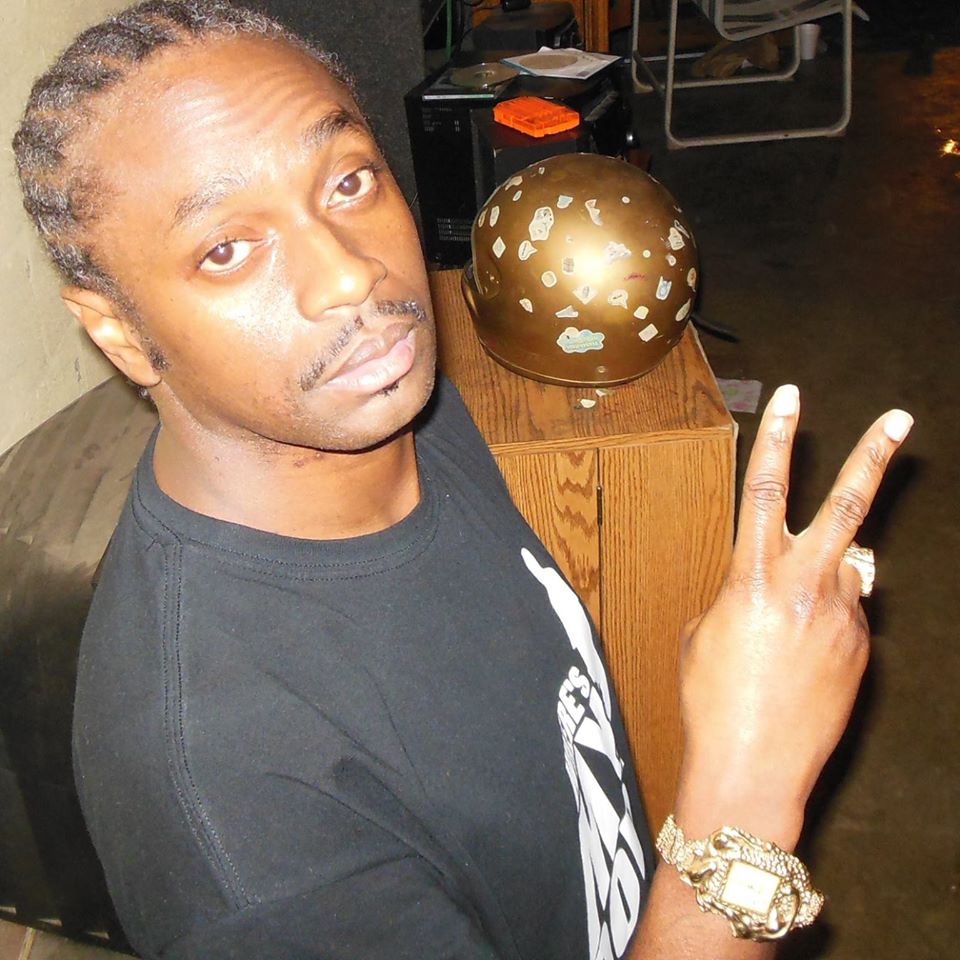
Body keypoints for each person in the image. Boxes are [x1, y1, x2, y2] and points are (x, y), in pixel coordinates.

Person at [13, 2, 912, 958]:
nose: (349, 275)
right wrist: (749, 785)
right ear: (117, 332)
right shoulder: (236, 818)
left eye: (348, 180)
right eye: (227, 249)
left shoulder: (398, 412)